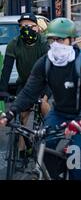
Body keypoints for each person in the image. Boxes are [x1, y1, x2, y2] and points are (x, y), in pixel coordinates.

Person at [0, 18, 81, 180]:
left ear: (72, 40)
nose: (56, 44)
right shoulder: (44, 63)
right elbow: (28, 93)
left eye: (60, 39)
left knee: (74, 154)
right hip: (60, 112)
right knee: (44, 149)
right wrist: (11, 113)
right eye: (52, 39)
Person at [0, 13, 51, 158]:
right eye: (23, 26)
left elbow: (49, 68)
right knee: (21, 115)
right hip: (25, 83)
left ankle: (51, 135)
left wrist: (44, 94)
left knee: (43, 105)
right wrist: (2, 91)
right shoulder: (14, 44)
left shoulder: (43, 43)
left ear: (37, 27)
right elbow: (6, 70)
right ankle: (22, 151)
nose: (26, 29)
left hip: (44, 82)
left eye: (30, 26)